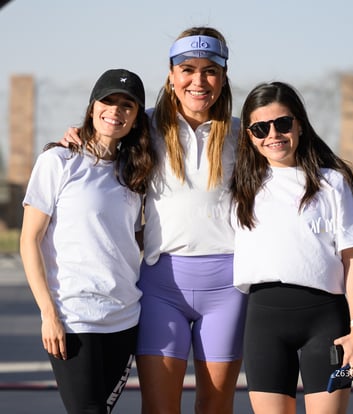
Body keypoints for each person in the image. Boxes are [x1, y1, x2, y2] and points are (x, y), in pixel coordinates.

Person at [61, 27, 247, 414]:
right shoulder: (143, 126)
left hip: (228, 289)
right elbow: (104, 137)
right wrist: (76, 136)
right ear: (171, 75)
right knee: (160, 407)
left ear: (224, 76)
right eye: (188, 69)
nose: (199, 80)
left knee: (216, 405)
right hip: (162, 288)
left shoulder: (243, 134)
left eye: (210, 70)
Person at [231, 81, 353, 414]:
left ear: (299, 125)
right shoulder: (239, 185)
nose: (273, 134)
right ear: (249, 135)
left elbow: (352, 262)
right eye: (260, 128)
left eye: (283, 123)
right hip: (264, 324)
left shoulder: (333, 183)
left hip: (327, 323)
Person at [20, 68, 156, 414]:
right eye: (108, 101)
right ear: (93, 106)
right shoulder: (58, 161)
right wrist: (48, 314)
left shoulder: (136, 170)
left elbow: (130, 238)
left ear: (137, 116)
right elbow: (29, 240)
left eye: (127, 105)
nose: (116, 110)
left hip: (124, 317)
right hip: (73, 317)